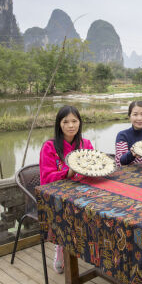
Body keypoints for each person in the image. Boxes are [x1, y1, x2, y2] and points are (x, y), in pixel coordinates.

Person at [39, 105, 93, 274]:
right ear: (59, 124)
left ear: (80, 123)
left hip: (82, 191)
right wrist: (67, 172)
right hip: (58, 196)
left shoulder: (86, 144)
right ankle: (60, 248)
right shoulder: (49, 147)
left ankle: (93, 249)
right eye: (66, 121)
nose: (71, 125)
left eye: (74, 121)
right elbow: (46, 178)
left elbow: (93, 169)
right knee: (68, 214)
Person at [115, 101, 142, 166]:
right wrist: (132, 153)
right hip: (128, 174)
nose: (139, 118)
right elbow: (120, 161)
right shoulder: (122, 135)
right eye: (135, 114)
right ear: (129, 116)